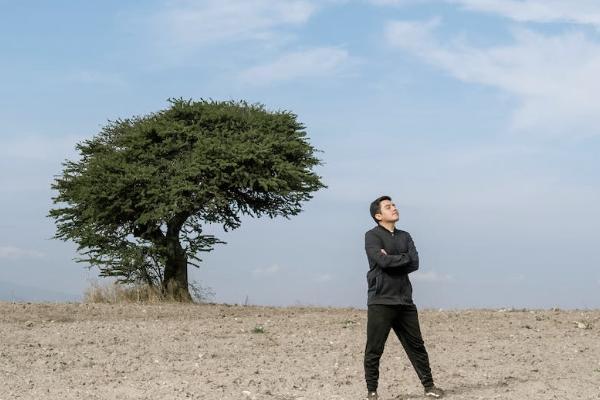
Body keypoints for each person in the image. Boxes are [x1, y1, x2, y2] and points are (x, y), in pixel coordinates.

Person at [363, 195, 444, 399]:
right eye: (388, 207)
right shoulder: (371, 236)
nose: (394, 208)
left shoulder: (405, 236)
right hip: (381, 300)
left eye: (394, 205)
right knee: (374, 348)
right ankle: (372, 391)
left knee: (417, 346)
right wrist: (399, 259)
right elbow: (382, 262)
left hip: (405, 301)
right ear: (378, 215)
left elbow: (414, 263)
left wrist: (392, 258)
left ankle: (429, 387)